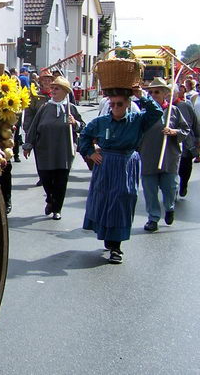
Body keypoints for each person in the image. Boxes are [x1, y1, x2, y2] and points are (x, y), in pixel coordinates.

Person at [79, 87, 162, 263]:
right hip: (105, 163)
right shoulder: (101, 122)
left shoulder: (137, 120)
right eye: (113, 104)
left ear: (127, 104)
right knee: (104, 199)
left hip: (126, 162)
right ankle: (108, 237)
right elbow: (84, 137)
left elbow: (157, 112)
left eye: (120, 104)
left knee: (123, 199)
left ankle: (116, 247)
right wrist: (90, 153)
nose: (116, 107)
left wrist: (142, 95)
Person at [23, 76, 85, 219]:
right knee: (46, 178)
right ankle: (50, 199)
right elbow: (34, 127)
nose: (53, 90)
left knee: (61, 181)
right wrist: (28, 145)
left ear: (65, 91)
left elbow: (83, 127)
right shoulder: (45, 107)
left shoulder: (71, 109)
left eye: (57, 88)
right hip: (44, 151)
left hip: (64, 152)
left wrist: (75, 123)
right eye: (53, 88)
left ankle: (57, 209)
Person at [139, 79, 190, 231]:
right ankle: (153, 218)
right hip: (148, 155)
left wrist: (174, 132)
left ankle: (169, 207)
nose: (153, 95)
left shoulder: (173, 111)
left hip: (169, 156)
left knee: (170, 187)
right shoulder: (144, 114)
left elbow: (185, 130)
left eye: (157, 92)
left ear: (165, 93)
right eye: (151, 92)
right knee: (150, 190)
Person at [174, 84, 199, 197]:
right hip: (171, 146)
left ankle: (183, 184)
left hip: (186, 143)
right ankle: (171, 191)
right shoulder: (162, 108)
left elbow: (194, 123)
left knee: (185, 167)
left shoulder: (185, 106)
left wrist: (198, 139)